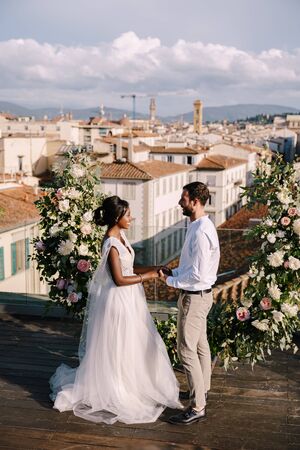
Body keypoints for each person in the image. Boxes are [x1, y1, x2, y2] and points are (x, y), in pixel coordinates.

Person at [49, 195, 182, 424]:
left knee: (133, 343)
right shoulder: (110, 242)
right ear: (118, 217)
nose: (132, 218)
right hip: (118, 300)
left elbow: (129, 266)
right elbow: (119, 279)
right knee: (121, 344)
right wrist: (149, 276)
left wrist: (155, 267)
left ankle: (133, 382)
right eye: (128, 215)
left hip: (130, 299)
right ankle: (118, 389)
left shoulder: (121, 236)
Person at [159, 182, 220, 425]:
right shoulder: (200, 225)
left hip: (194, 298)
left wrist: (170, 280)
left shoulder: (201, 230)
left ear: (195, 201)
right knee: (201, 345)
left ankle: (197, 406)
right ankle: (201, 390)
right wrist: (174, 270)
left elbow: (197, 273)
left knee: (185, 349)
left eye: (183, 198)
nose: (179, 202)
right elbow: (193, 267)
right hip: (201, 295)